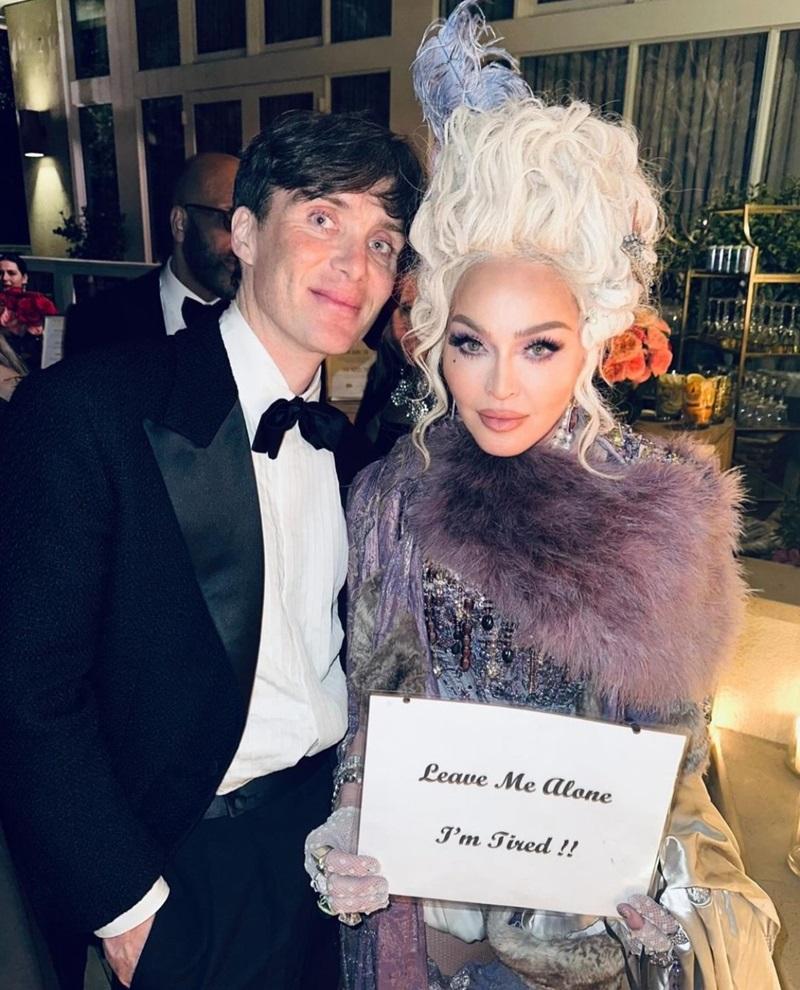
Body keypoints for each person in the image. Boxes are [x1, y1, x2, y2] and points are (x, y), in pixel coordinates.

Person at [304, 7, 780, 989]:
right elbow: (373, 707)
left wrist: (666, 889)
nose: (498, 386)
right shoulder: (394, 495)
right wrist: (349, 818)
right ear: (437, 339)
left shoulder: (659, 511)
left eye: (538, 347)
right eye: (470, 343)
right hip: (421, 919)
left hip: (579, 936)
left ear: (589, 343)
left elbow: (676, 766)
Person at [0, 110, 423, 990]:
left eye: (382, 243)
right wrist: (127, 910)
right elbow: (27, 691)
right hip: (176, 869)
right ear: (245, 234)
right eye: (323, 218)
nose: (356, 265)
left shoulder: (348, 451)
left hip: (322, 854)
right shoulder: (85, 412)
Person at [64, 151, 240, 357]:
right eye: (230, 219)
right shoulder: (96, 323)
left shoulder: (266, 318)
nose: (244, 243)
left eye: (252, 225)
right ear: (180, 223)